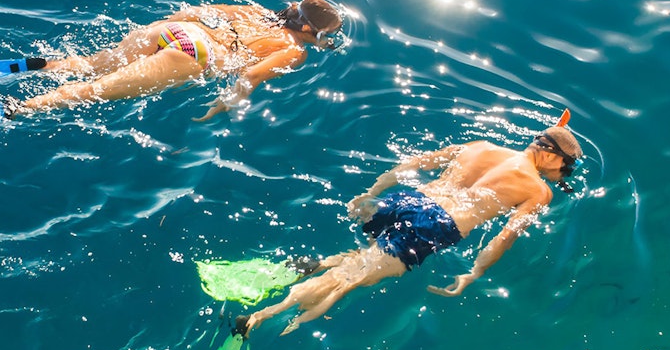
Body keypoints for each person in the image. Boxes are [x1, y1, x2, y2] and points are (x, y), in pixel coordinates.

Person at [234, 113, 584, 337]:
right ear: (552, 155)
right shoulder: (538, 190)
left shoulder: (481, 146)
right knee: (349, 281)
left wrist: (371, 192)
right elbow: (506, 236)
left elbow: (417, 162)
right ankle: (260, 318)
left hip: (405, 200)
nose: (559, 178)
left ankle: (307, 266)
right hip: (435, 224)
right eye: (563, 170)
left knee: (364, 258)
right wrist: (473, 274)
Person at [1, 0, 344, 121]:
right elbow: (249, 77)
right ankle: (23, 107)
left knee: (93, 64)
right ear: (315, 33)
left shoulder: (254, 10)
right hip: (196, 53)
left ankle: (27, 67)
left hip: (177, 29)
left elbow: (195, 11)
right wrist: (222, 108)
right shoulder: (294, 51)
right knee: (97, 90)